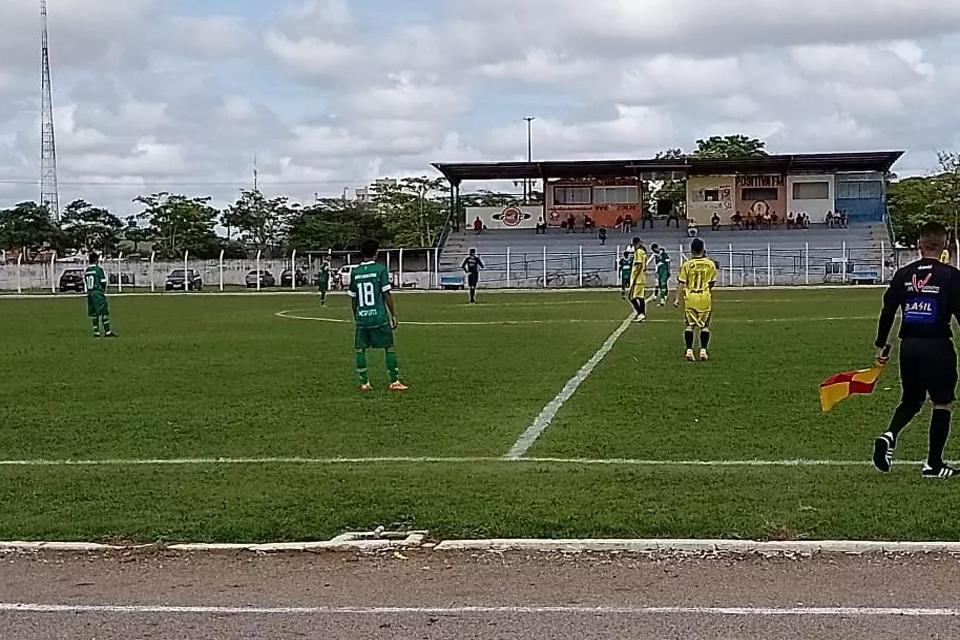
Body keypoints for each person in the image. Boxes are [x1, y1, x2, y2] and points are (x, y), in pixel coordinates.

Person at [873, 222, 960, 478]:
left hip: (908, 347)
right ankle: (933, 464)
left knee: (911, 399)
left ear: (919, 245)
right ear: (944, 245)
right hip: (937, 346)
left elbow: (887, 310)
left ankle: (889, 436)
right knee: (942, 402)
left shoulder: (903, 274)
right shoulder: (951, 276)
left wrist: (881, 344)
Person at [349, 240, 406, 393]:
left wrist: (357, 316)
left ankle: (364, 383)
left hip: (362, 317)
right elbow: (386, 293)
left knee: (360, 349)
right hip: (379, 317)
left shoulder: (355, 272)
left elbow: (353, 298)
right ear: (376, 253)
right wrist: (393, 314)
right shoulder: (380, 269)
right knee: (389, 347)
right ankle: (394, 381)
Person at [675, 238, 717, 362]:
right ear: (703, 249)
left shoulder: (687, 265)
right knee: (704, 325)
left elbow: (681, 283)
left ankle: (689, 350)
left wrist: (677, 299)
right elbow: (712, 283)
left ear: (691, 250)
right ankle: (703, 350)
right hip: (704, 297)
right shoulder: (710, 264)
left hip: (691, 297)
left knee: (689, 325)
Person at [84, 253, 117, 339]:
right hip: (97, 292)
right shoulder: (98, 270)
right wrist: (102, 290)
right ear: (96, 260)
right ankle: (107, 332)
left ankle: (96, 333)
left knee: (94, 313)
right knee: (104, 312)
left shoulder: (87, 271)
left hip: (90, 293)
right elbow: (103, 282)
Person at [628, 238, 648, 323]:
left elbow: (639, 265)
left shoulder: (639, 252)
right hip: (641, 278)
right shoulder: (642, 252)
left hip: (638, 278)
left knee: (631, 297)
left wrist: (635, 277)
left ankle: (641, 313)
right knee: (640, 296)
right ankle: (641, 313)